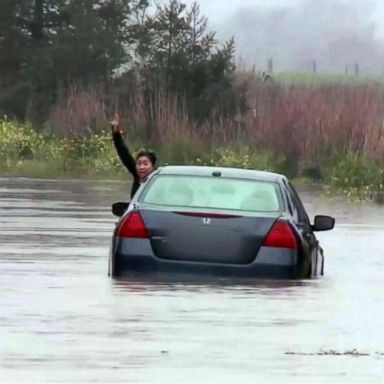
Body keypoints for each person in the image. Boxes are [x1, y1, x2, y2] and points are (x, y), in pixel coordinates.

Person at [110, 113, 157, 198]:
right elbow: (123, 153)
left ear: (153, 166)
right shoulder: (136, 175)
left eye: (145, 164)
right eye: (139, 164)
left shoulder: (158, 180)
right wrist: (116, 135)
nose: (142, 167)